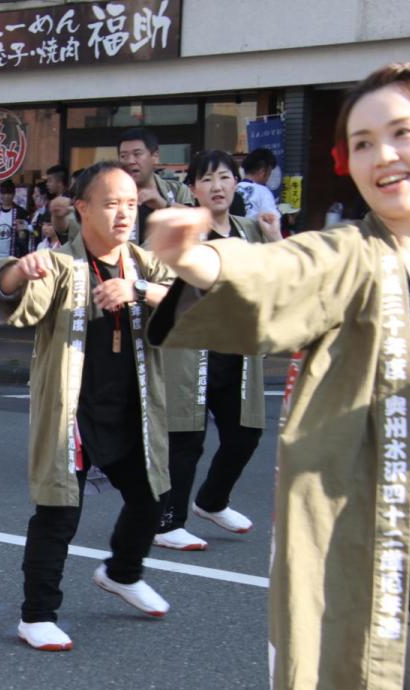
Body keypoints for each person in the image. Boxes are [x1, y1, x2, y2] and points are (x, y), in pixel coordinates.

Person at [144, 61, 410, 690]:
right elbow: (276, 274)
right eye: (361, 142)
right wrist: (195, 256)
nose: (381, 156)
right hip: (372, 566)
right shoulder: (351, 256)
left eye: (401, 134)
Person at [0, 161, 174, 652]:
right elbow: (18, 301)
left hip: (131, 405)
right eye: (111, 203)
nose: (124, 214)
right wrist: (14, 275)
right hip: (73, 409)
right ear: (82, 208)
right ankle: (37, 614)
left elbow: (190, 300)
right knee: (59, 511)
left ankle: (121, 572)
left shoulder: (143, 262)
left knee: (151, 497)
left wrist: (139, 290)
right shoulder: (61, 262)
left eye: (131, 204)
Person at [153, 150, 282, 552]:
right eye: (206, 180)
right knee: (186, 438)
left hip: (238, 352)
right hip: (192, 350)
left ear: (237, 183)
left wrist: (276, 234)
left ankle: (212, 500)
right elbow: (158, 275)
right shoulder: (184, 229)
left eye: (225, 177)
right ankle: (168, 521)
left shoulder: (251, 228)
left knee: (246, 433)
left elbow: (283, 273)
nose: (217, 186)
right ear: (193, 188)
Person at [117, 128, 193, 243]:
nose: (130, 161)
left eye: (137, 154)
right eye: (124, 156)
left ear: (155, 156)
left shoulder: (177, 190)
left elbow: (196, 223)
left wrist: (162, 204)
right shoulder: (111, 195)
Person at [237, 148, 281, 219]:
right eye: (269, 173)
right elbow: (273, 220)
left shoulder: (233, 189)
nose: (268, 178)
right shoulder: (263, 192)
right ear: (262, 172)